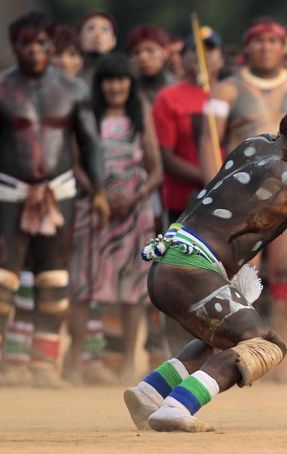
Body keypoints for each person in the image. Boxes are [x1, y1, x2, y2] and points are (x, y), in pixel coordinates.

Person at [123, 97, 287, 431]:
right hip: (192, 272)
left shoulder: (256, 145)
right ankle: (178, 406)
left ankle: (150, 392)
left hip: (169, 260)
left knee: (222, 335)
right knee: (264, 344)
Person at [198, 17, 287, 381]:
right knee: (239, 273)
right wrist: (213, 187)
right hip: (239, 197)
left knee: (284, 271)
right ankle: (235, 351)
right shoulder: (227, 90)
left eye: (272, 40)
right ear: (247, 47)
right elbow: (209, 141)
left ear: (285, 48)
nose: (266, 47)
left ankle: (282, 354)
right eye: (259, 40)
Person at [0, 11, 109, 387]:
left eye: (42, 43)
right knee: (3, 280)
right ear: (15, 46)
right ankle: (6, 364)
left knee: (54, 279)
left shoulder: (73, 90)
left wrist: (99, 190)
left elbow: (90, 144)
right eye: (27, 44)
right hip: (9, 192)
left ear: (51, 44)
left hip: (59, 192)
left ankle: (44, 366)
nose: (35, 50)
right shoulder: (2, 88)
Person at [67, 53, 163, 385]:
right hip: (94, 210)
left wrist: (134, 198)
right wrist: (99, 194)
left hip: (135, 214)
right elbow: (75, 163)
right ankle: (74, 362)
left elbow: (156, 170)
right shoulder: (87, 114)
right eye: (109, 79)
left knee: (133, 289)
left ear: (130, 84)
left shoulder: (141, 114)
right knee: (83, 285)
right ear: (100, 84)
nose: (115, 86)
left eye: (121, 79)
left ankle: (126, 365)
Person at [153, 28, 224, 355]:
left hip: (229, 207)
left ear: (220, 57)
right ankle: (177, 352)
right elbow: (165, 156)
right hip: (184, 203)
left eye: (210, 50)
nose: (203, 58)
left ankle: (221, 348)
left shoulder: (228, 95)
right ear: (180, 60)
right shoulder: (169, 98)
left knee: (224, 278)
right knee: (179, 276)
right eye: (194, 51)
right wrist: (211, 178)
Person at [127, 24, 176, 104]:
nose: (143, 58)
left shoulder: (177, 87)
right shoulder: (127, 91)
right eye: (136, 53)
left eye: (150, 50)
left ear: (165, 52)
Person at [78, 11, 117, 85]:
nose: (97, 34)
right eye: (91, 29)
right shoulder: (71, 75)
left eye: (104, 30)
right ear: (80, 38)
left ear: (113, 41)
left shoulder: (122, 74)